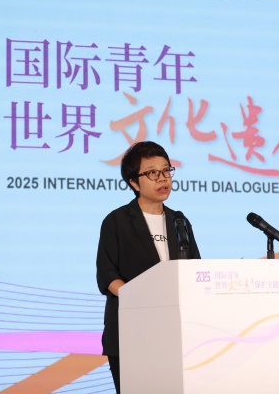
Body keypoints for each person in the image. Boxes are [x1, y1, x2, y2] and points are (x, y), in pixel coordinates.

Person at [96, 141, 201, 393]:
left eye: (166, 170)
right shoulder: (116, 221)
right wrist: (140, 298)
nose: (162, 178)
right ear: (134, 182)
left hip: (174, 333)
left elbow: (194, 270)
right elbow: (107, 274)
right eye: (152, 173)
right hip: (130, 331)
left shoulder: (179, 221)